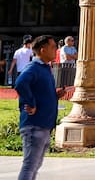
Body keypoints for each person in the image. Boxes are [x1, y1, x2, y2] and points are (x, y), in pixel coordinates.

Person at [14, 35, 65, 180]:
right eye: (53, 47)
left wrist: (56, 95)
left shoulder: (44, 69)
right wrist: (30, 103)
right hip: (34, 126)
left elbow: (40, 92)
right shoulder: (34, 67)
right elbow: (20, 83)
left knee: (34, 166)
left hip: (43, 125)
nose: (56, 50)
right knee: (30, 166)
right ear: (43, 50)